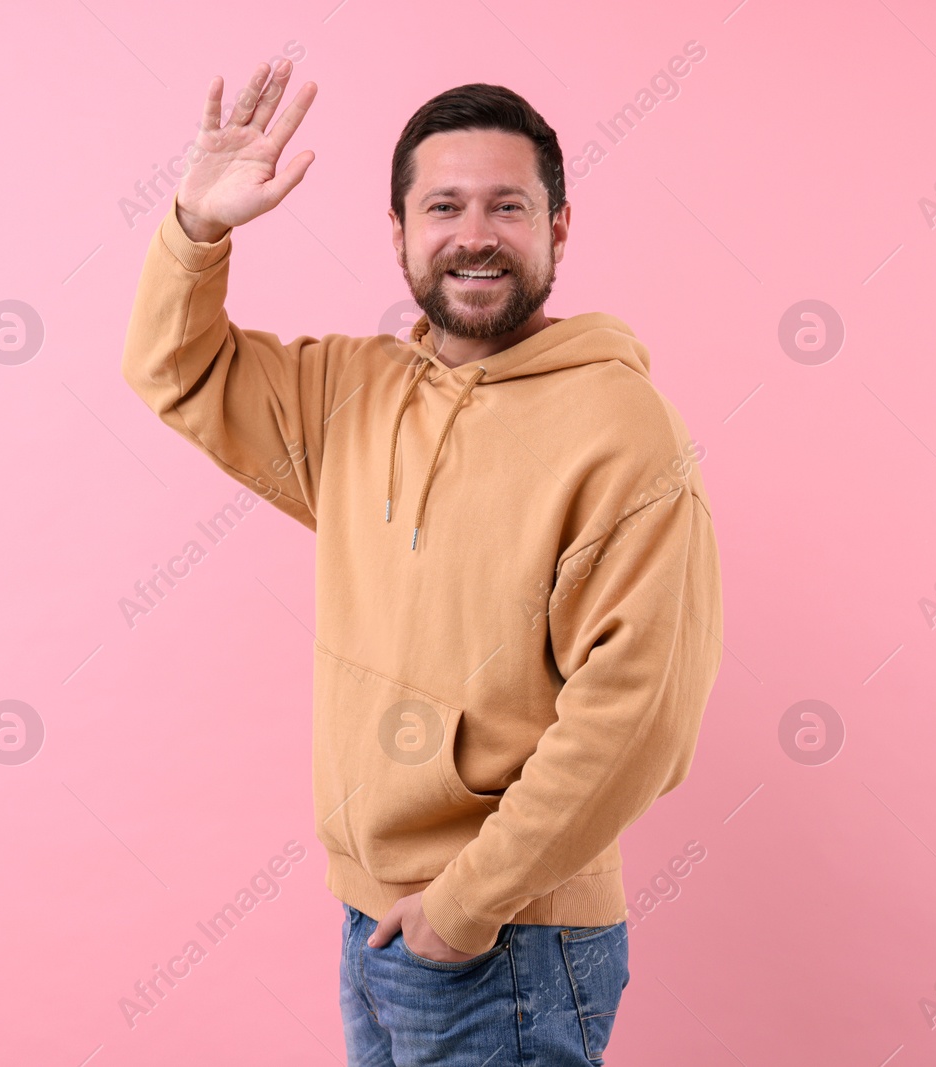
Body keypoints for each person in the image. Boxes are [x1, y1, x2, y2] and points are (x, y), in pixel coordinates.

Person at [121, 58, 723, 1066]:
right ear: (399, 232)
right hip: (373, 919)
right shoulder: (351, 392)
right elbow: (178, 369)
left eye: (507, 206)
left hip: (509, 938)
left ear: (556, 230)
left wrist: (466, 902)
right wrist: (195, 227)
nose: (474, 234)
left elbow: (640, 717)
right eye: (442, 205)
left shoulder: (625, 432)